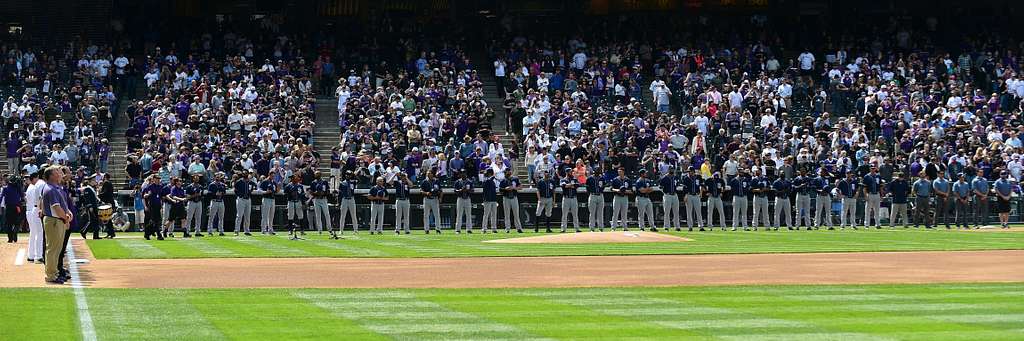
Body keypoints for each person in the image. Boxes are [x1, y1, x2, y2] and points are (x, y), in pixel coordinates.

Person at [41, 166, 72, 284]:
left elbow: (63, 205)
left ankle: (54, 273)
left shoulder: (55, 188)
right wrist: (66, 217)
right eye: (57, 172)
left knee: (57, 249)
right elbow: (56, 207)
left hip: (58, 220)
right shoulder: (51, 189)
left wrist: (67, 215)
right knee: (53, 249)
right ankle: (51, 275)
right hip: (54, 220)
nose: (60, 174)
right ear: (52, 175)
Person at [25, 170, 45, 262]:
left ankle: (31, 255)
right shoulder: (40, 183)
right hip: (36, 209)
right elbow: (40, 198)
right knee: (39, 233)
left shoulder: (30, 186)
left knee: (33, 233)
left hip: (30, 210)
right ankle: (38, 256)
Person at [141, 175, 165, 240]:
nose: (158, 180)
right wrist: (147, 195)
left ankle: (147, 233)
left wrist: (161, 205)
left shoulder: (160, 187)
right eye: (157, 179)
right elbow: (144, 195)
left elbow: (161, 196)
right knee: (155, 221)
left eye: (159, 179)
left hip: (158, 205)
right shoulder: (150, 187)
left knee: (156, 221)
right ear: (154, 179)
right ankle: (159, 235)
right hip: (152, 205)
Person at [2, 175, 24, 242]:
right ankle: (15, 231)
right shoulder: (18, 187)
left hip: (8, 207)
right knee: (18, 221)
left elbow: (1, 197)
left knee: (9, 223)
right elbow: (22, 196)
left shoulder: (5, 188)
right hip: (17, 207)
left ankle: (10, 239)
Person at [421, 170, 443, 234]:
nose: (428, 174)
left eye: (429, 173)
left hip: (434, 198)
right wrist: (426, 193)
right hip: (427, 198)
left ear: (432, 174)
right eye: (427, 173)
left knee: (436, 215)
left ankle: (438, 229)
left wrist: (440, 198)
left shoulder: (436, 181)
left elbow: (441, 190)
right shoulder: (424, 181)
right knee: (426, 215)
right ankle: (426, 229)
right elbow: (421, 191)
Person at [480, 169, 499, 233]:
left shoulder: (493, 181)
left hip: (493, 199)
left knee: (494, 214)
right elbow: (486, 183)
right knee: (486, 214)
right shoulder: (485, 180)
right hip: (487, 200)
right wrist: (493, 177)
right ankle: (484, 228)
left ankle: (494, 228)